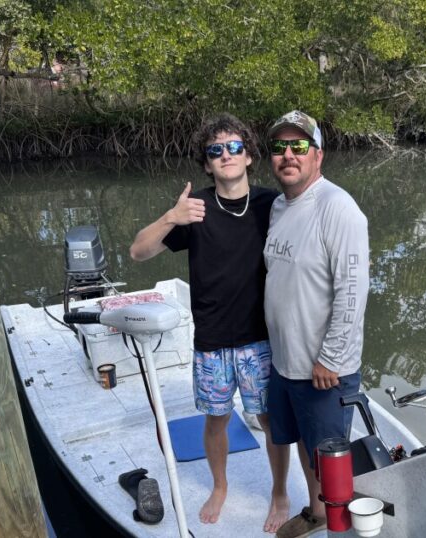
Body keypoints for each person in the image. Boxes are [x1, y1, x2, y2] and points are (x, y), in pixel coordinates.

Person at [129, 113, 290, 532]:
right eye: (215, 150)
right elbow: (137, 252)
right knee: (216, 419)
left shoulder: (272, 204)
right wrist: (170, 217)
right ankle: (220, 486)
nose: (226, 155)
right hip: (213, 341)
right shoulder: (193, 209)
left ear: (250, 155)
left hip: (262, 340)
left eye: (235, 147)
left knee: (271, 420)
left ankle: (278, 491)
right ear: (206, 162)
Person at [262, 110, 370, 538]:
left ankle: (338, 527)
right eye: (279, 147)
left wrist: (331, 358)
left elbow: (353, 290)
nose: (288, 155)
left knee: (332, 462)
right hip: (286, 363)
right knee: (307, 449)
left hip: (324, 370)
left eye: (299, 146)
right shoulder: (277, 207)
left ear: (318, 155)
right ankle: (318, 513)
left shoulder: (338, 208)